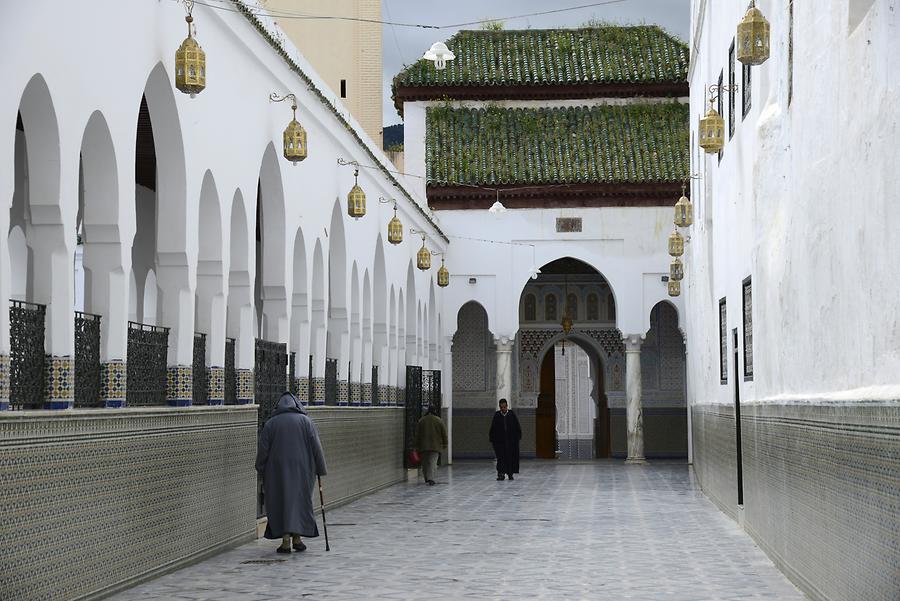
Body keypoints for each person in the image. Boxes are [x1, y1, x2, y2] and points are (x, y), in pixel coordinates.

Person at [255, 392, 327, 553]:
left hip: (276, 471)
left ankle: (286, 539)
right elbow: (317, 447)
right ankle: (298, 539)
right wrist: (320, 468)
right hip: (303, 469)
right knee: (299, 501)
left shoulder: (271, 423)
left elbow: (263, 450)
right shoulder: (306, 422)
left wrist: (260, 467)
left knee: (281, 501)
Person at [414, 405, 448, 485]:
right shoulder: (439, 420)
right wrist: (445, 444)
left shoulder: (421, 420)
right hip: (435, 446)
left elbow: (417, 434)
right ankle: (431, 478)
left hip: (423, 446)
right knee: (432, 462)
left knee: (425, 463)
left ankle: (427, 478)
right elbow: (444, 433)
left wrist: (416, 445)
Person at [489, 398, 521, 481]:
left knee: (510, 457)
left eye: (504, 407)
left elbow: (517, 427)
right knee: (501, 458)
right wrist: (493, 440)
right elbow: (493, 429)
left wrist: (516, 438)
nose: (503, 409)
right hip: (500, 443)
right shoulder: (497, 415)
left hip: (511, 442)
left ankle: (510, 473)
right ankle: (501, 474)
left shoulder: (511, 414)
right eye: (501, 407)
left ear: (507, 406)